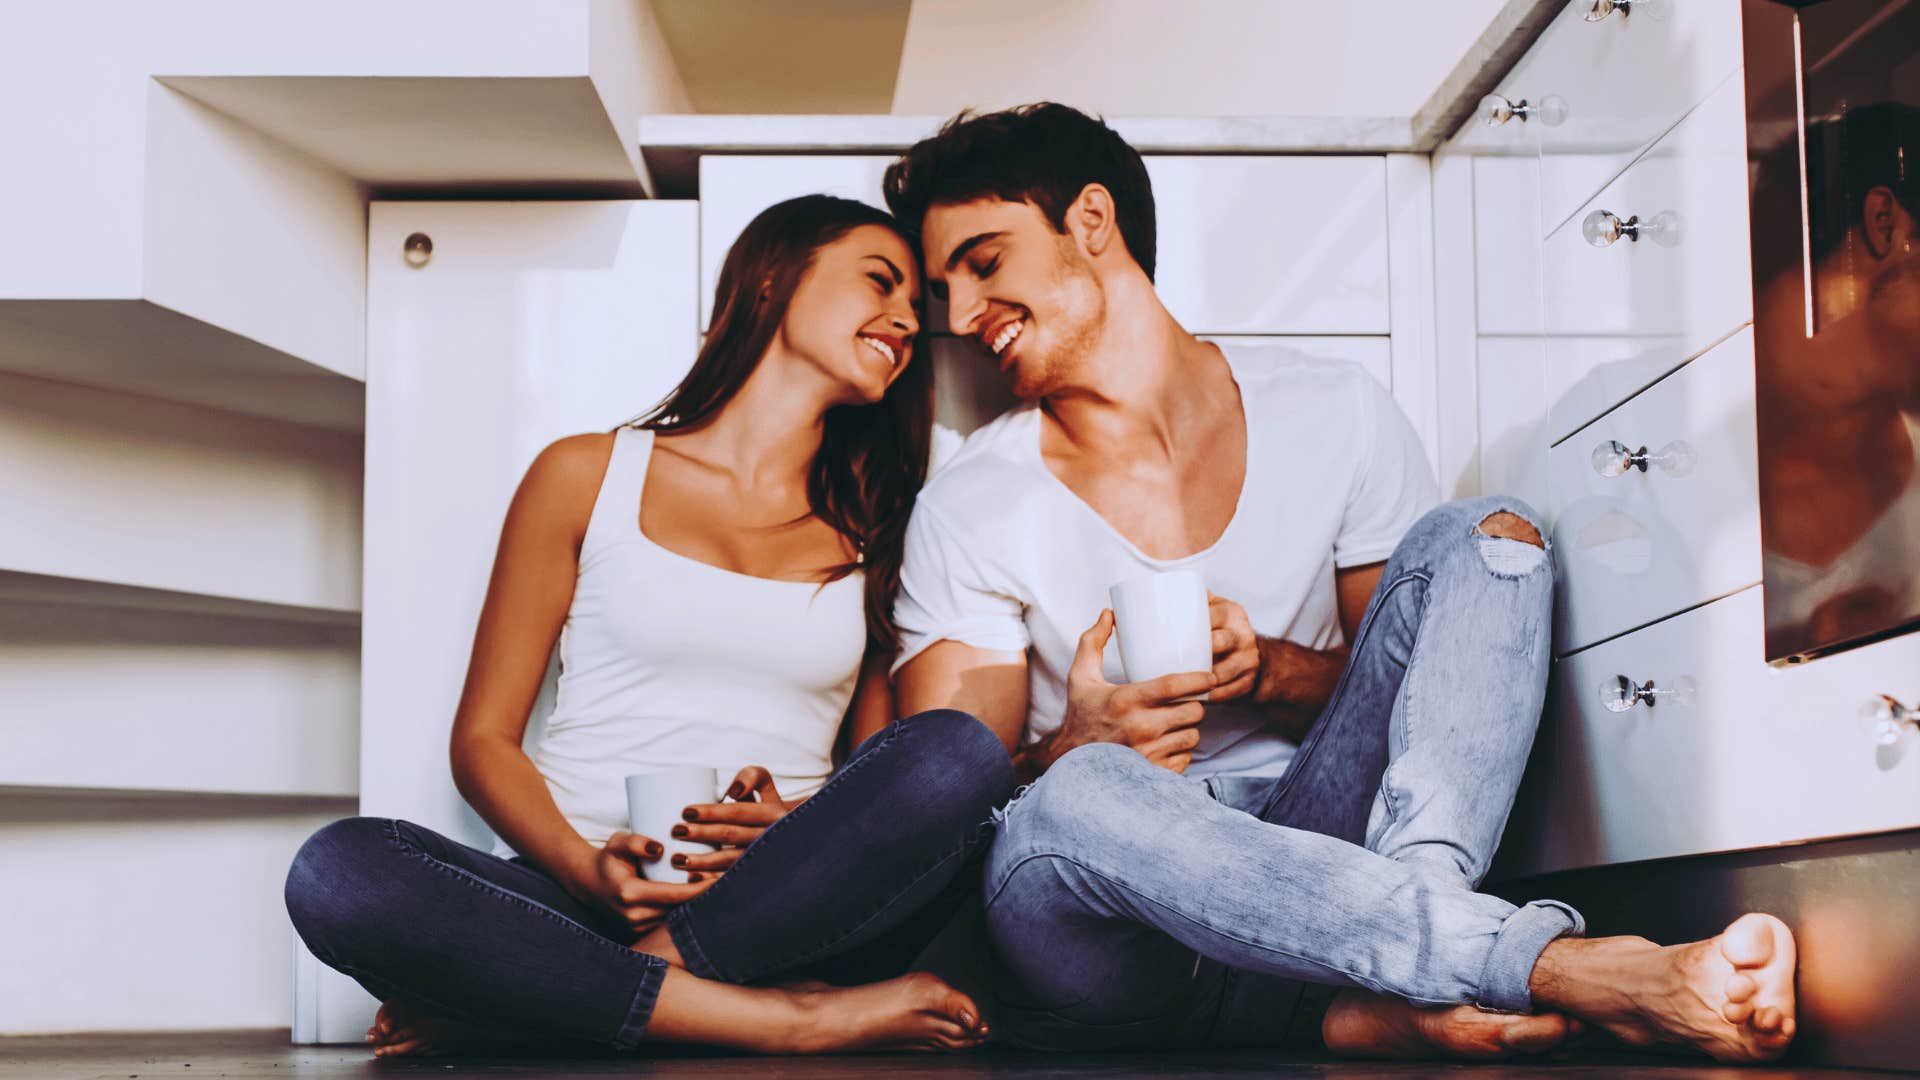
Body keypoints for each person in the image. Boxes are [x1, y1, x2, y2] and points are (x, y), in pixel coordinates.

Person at [882, 103, 1800, 1063]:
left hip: (1322, 844)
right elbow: (946, 810)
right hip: (1100, 922)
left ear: (1092, 221)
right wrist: (1075, 740)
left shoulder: (1334, 411)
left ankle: (1387, 985)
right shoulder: (971, 502)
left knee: (1490, 534)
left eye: (983, 263)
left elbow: (1417, 693)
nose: (957, 315)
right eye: (944, 287)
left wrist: (1270, 670)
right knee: (1086, 791)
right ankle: (1545, 964)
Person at [283, 195, 1012, 1056]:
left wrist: (791, 825)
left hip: (778, 907)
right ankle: (784, 1019)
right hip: (573, 890)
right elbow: (483, 741)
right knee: (339, 870)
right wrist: (587, 870)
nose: (903, 319)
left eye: (911, 311)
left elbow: (877, 776)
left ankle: (542, 1000)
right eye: (880, 282)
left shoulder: (879, 531)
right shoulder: (585, 474)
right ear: (774, 276)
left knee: (958, 755)